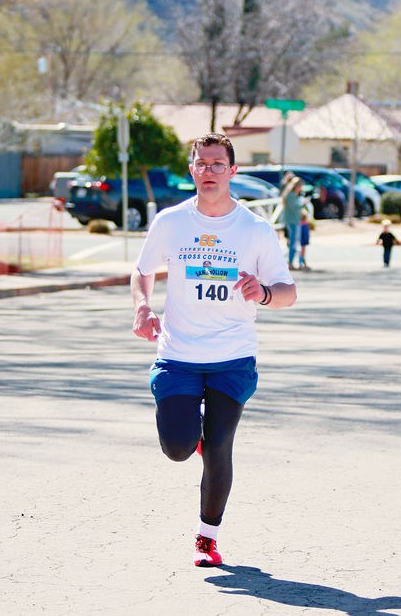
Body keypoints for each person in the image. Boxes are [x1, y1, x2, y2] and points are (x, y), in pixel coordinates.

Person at [131, 132, 297, 568]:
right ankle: (193, 435)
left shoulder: (255, 229)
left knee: (220, 445)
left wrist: (263, 293)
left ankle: (207, 538)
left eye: (217, 164)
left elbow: (288, 293)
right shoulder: (170, 222)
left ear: (232, 171)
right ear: (192, 170)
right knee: (178, 448)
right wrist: (143, 306)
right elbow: (142, 271)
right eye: (202, 164)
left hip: (232, 358)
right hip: (178, 356)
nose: (209, 172)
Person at [281, 177, 305, 269]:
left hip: (295, 221)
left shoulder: (295, 195)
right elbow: (295, 208)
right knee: (293, 243)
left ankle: (291, 261)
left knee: (294, 243)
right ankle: (290, 262)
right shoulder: (291, 196)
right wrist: (303, 203)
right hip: (292, 222)